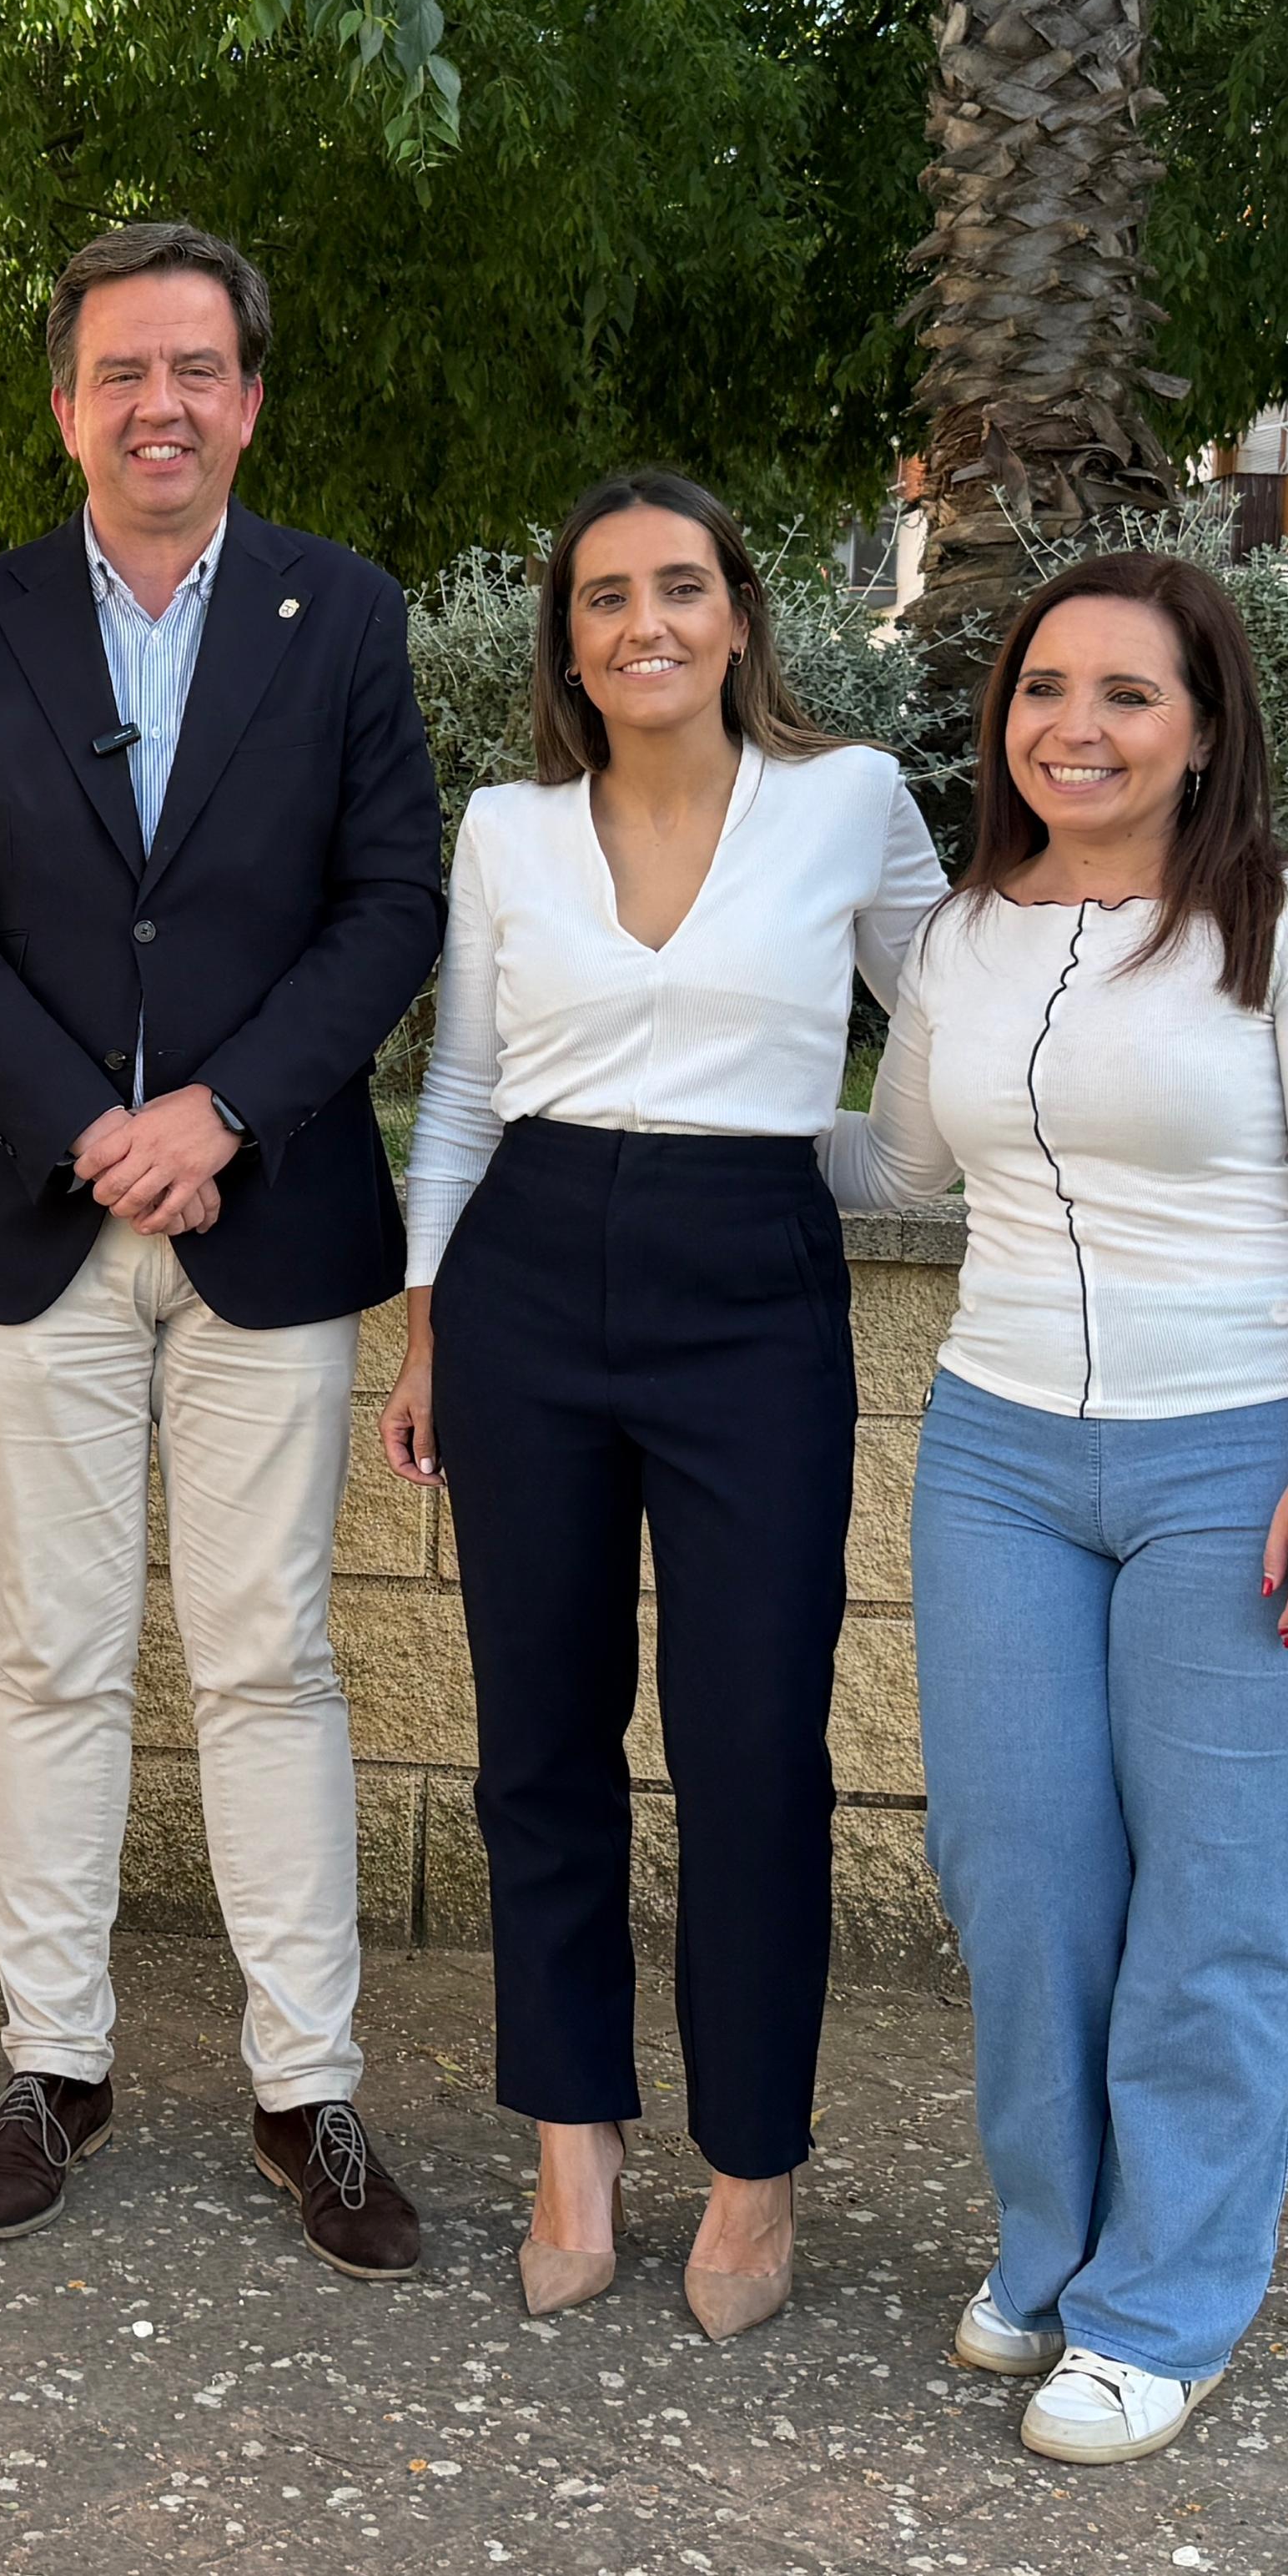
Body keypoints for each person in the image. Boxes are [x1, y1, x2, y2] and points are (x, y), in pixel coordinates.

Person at [0, 219, 445, 2277]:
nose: (159, 405)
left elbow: (389, 905)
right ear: (64, 405)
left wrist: (219, 1116)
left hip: (261, 1219)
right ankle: (56, 2064)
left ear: (249, 398)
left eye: (196, 369)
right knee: (48, 1651)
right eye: (121, 371)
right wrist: (87, 1125)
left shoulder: (342, 615)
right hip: (34, 1221)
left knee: (266, 1657)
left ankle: (308, 2093)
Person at [828, 547, 1288, 2466]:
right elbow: (903, 1165)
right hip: (999, 1457)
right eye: (1040, 690)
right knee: (1019, 1884)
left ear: (1199, 730)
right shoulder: (969, 937)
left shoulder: (1287, 925)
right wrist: (669, 1105)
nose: (1071, 727)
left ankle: (1164, 2305)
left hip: (1238, 1458)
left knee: (1217, 1903)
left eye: (1124, 697)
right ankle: (1053, 2247)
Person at [378, 471, 944, 2337]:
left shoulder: (848, 801)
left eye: (678, 587)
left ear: (739, 617)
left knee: (751, 1744)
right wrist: (427, 1320)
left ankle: (754, 2172)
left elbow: (957, 1028)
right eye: (605, 592)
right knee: (538, 1739)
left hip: (747, 1280)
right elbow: (460, 1088)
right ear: (568, 637)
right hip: (528, 1269)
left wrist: (858, 1159)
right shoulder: (508, 830)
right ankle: (569, 2143)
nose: (644, 621)